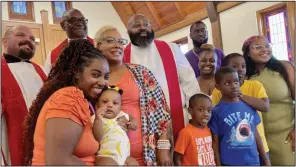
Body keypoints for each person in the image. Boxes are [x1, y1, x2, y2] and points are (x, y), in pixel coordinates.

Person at [22, 39, 109, 165]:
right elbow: (59, 161)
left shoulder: (84, 99)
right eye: (95, 75)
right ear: (77, 73)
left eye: (106, 77)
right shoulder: (69, 98)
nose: (102, 82)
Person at [94, 25, 171, 165]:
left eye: (121, 41)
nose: (117, 45)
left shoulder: (141, 73)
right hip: (107, 157)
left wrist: (163, 146)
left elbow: (161, 111)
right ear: (98, 46)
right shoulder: (95, 79)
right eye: (110, 40)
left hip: (146, 155)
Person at [124, 14, 200, 140]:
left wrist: (194, 114)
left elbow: (189, 81)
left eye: (146, 24)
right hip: (140, 123)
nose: (143, 28)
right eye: (137, 25)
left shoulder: (171, 49)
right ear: (128, 32)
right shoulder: (123, 57)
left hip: (177, 118)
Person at [242, 35, 295, 165]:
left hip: (286, 136)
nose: (264, 50)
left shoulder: (285, 67)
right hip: (257, 140)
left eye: (267, 46)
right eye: (258, 47)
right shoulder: (244, 75)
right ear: (247, 52)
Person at [211, 53, 270, 165]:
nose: (233, 86)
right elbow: (215, 142)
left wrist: (266, 161)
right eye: (228, 83)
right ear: (218, 87)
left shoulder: (250, 104)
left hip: (254, 159)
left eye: (236, 82)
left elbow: (256, 133)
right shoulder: (216, 111)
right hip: (230, 162)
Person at [1, 25, 47, 165]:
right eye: (21, 35)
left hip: (43, 143)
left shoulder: (41, 71)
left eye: (32, 39)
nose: (28, 40)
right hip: (9, 143)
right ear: (5, 41)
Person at [44, 8, 94, 74]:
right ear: (63, 26)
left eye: (82, 20)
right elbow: (48, 82)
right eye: (73, 20)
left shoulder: (97, 45)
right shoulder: (53, 55)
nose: (80, 24)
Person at [174, 93, 215, 166]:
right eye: (201, 110)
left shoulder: (207, 129)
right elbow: (177, 158)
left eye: (209, 110)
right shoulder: (186, 132)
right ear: (190, 111)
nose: (206, 114)